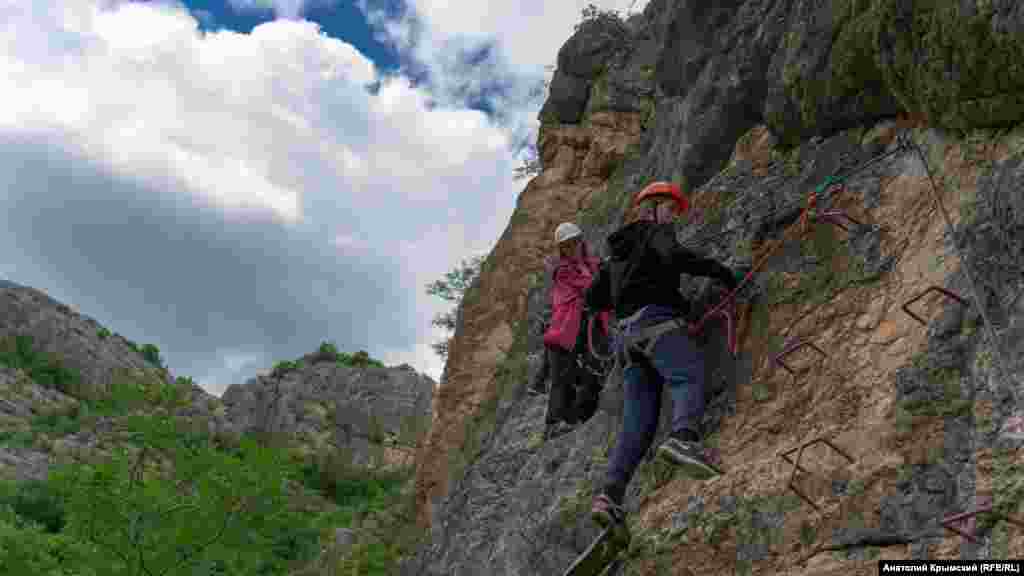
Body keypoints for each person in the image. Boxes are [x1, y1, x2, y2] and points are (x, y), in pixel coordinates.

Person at [583, 181, 740, 528]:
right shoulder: (656, 232)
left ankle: (609, 494)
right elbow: (677, 257)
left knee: (637, 421)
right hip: (656, 323)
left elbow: (594, 300)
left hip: (626, 342)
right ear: (652, 208)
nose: (673, 217)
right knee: (688, 374)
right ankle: (684, 439)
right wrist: (722, 272)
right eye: (670, 209)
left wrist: (626, 288)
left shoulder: (615, 255)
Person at [541, 222, 610, 440]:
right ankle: (555, 423)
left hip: (589, 324)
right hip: (566, 329)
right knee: (563, 376)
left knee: (593, 369)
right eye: (567, 245)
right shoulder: (563, 271)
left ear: (581, 241)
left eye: (575, 242)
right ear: (562, 249)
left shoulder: (591, 263)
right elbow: (588, 285)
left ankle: (580, 414)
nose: (573, 247)